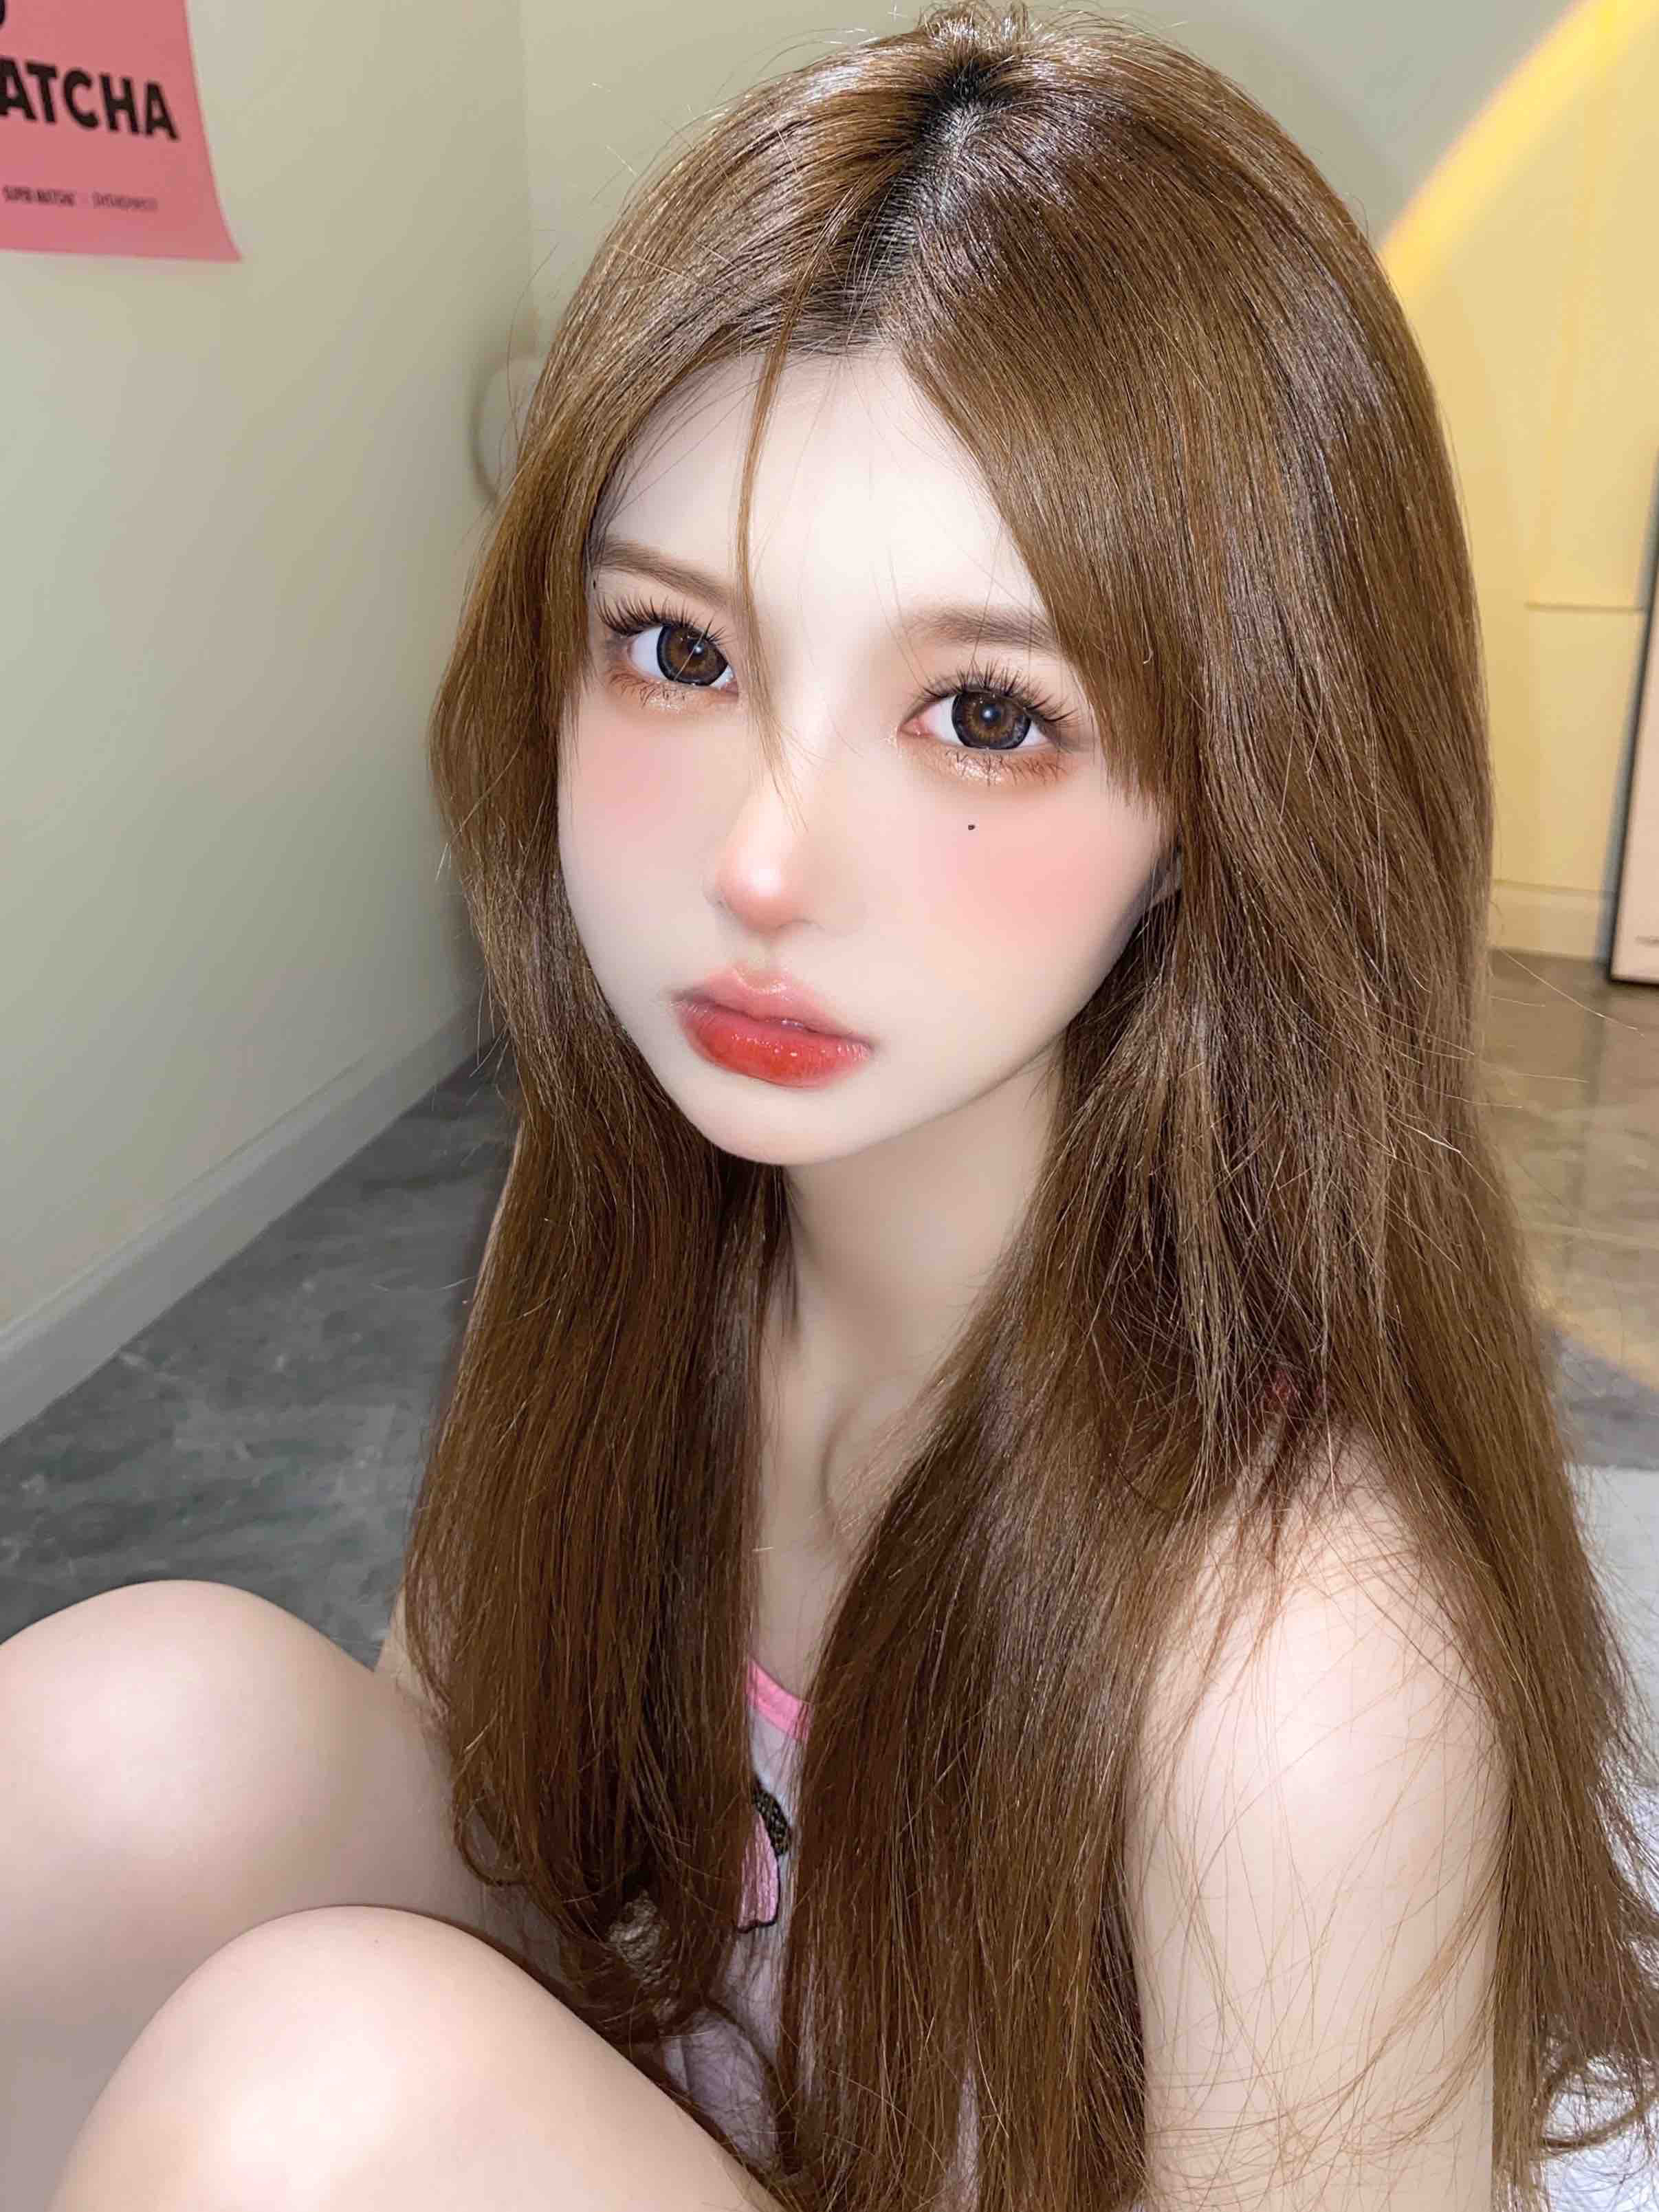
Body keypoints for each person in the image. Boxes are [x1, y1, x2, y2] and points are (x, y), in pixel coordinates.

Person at [8, 6, 1659, 2207]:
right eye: (679, 652)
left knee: (323, 2098)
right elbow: (473, 1810)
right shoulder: (630, 1217)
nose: (762, 862)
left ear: (1229, 790)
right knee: (138, 1729)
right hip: (671, 2078)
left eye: (984, 714)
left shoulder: (1298, 1663)